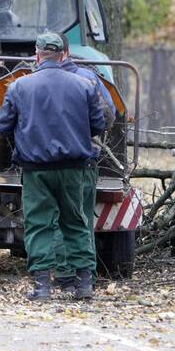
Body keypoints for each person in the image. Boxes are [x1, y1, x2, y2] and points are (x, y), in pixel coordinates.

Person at [0, 32, 106, 301]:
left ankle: (43, 286)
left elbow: (1, 125)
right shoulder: (85, 85)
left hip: (36, 170)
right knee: (77, 223)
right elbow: (99, 125)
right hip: (74, 169)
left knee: (39, 224)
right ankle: (84, 285)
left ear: (37, 54)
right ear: (64, 54)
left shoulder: (20, 87)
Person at [54, 36, 116, 292]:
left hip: (44, 161)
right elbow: (108, 116)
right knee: (80, 219)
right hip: (84, 160)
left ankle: (64, 277)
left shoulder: (29, 80)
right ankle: (84, 278)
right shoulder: (91, 80)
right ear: (68, 52)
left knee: (57, 219)